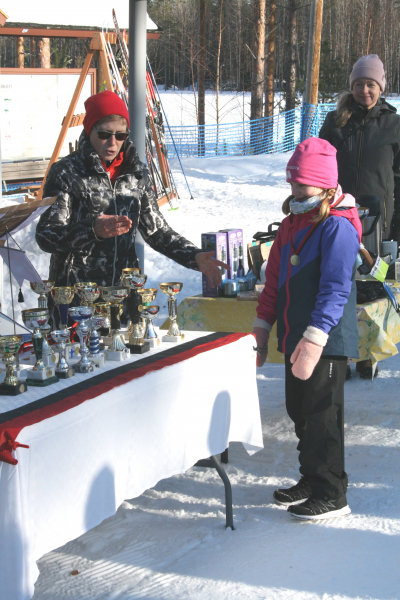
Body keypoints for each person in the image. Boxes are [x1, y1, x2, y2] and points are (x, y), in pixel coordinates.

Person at [36, 91, 227, 323]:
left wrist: (193, 256)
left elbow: (156, 230)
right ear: (89, 130)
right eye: (105, 133)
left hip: (124, 300)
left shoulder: (137, 174)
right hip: (77, 301)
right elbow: (47, 235)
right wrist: (91, 229)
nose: (112, 142)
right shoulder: (66, 172)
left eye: (120, 134)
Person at [252, 138, 362, 520]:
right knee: (299, 410)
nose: (296, 191)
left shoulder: (338, 227)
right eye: (292, 183)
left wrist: (315, 340)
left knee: (321, 414)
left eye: (303, 185)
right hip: (294, 336)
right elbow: (273, 284)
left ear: (325, 185)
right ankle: (313, 478)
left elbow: (335, 289)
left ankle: (332, 493)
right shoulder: (290, 225)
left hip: (326, 341)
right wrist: (262, 330)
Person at [319, 54, 400, 378]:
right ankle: (342, 351)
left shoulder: (393, 124)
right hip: (337, 217)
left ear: (380, 87)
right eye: (358, 84)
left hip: (379, 217)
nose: (364, 90)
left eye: (371, 84)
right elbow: (319, 169)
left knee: (374, 284)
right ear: (351, 86)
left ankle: (369, 354)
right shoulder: (335, 121)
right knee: (340, 283)